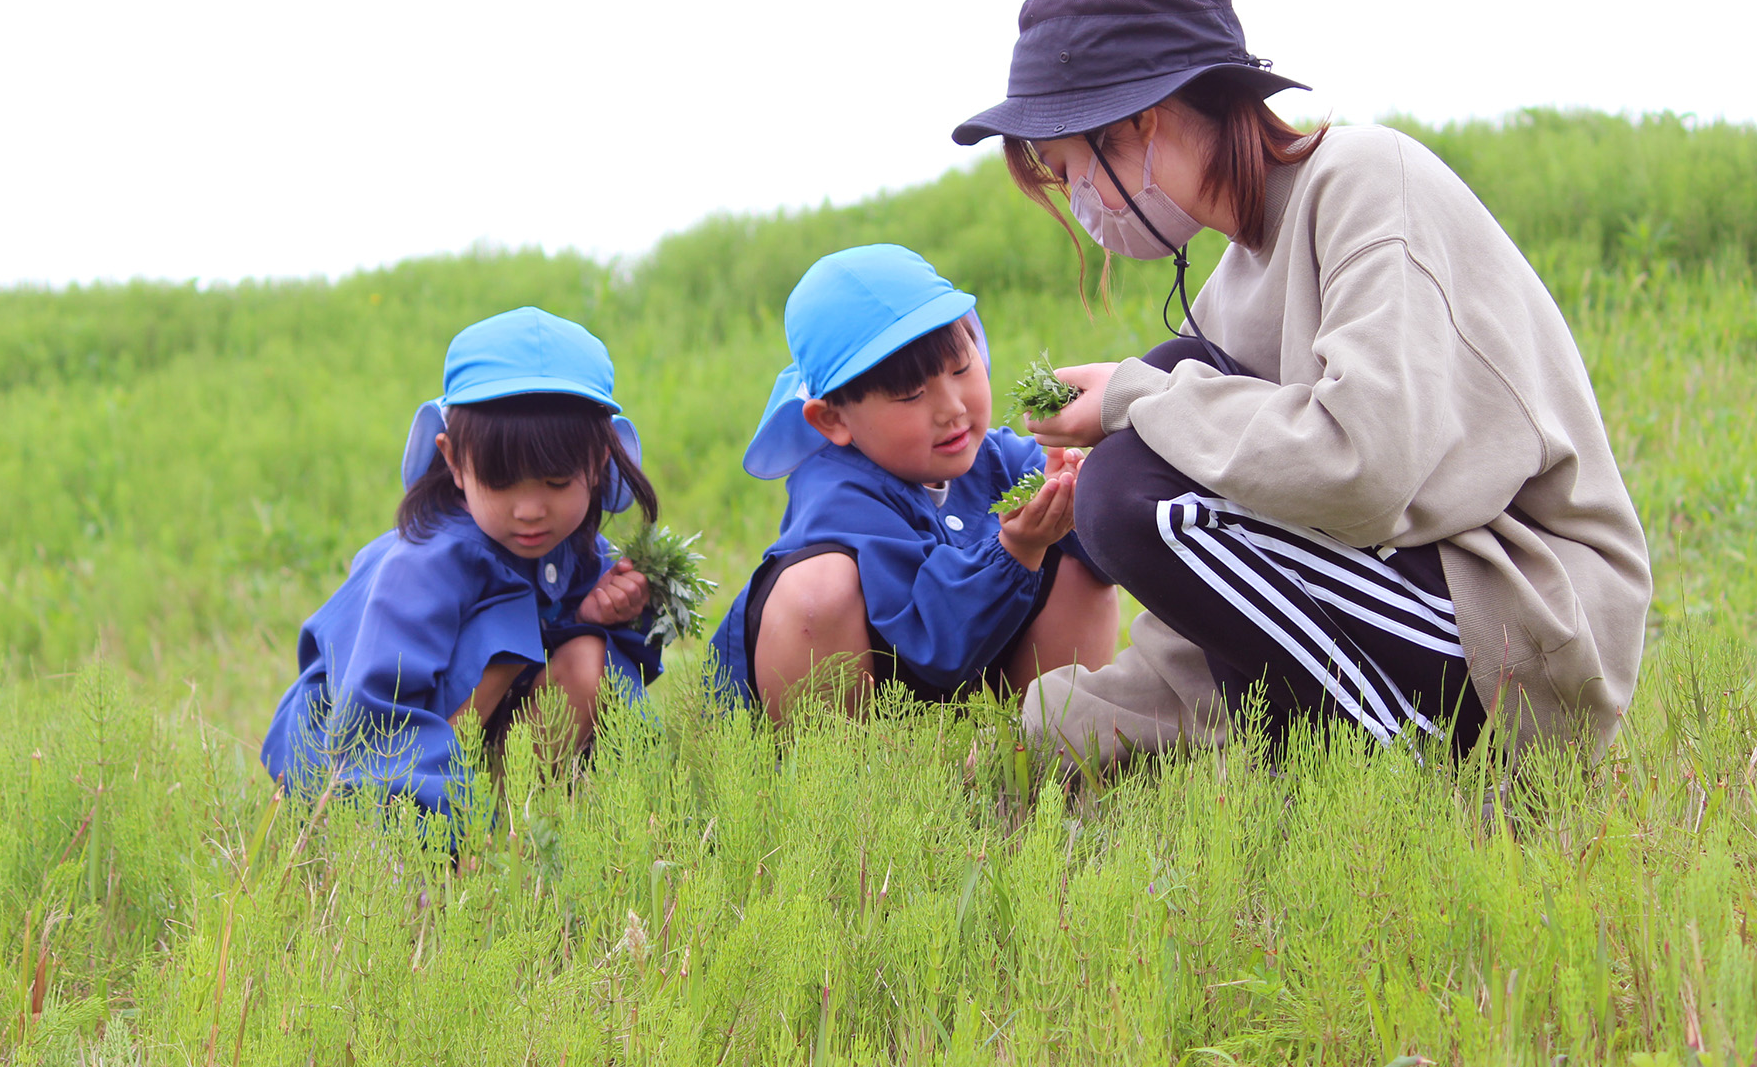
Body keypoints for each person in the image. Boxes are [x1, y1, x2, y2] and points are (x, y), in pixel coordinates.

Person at [951, 0, 1651, 768]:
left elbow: (1363, 469)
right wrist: (1038, 743)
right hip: (1416, 606)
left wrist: (1134, 397)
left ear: (1137, 125)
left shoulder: (1365, 184)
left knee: (1130, 480)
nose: (1077, 198)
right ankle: (1324, 773)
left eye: (1072, 166)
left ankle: (1405, 784)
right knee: (1153, 434)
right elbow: (1215, 627)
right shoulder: (1230, 291)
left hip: (1530, 627)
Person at [263, 306, 660, 815]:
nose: (530, 511)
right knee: (504, 650)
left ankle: (514, 828)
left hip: (458, 741)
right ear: (453, 460)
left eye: (557, 483)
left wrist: (594, 616)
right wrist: (436, 832)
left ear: (598, 463)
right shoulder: (423, 566)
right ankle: (445, 840)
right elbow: (375, 717)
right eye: (500, 483)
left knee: (587, 655)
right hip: (355, 767)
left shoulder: (570, 545)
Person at [708, 244, 1118, 718]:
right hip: (879, 706)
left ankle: (1040, 762)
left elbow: (1116, 557)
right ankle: (840, 784)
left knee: (1077, 549)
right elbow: (932, 645)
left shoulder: (997, 457)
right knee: (816, 592)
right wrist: (1018, 550)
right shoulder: (839, 494)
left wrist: (1087, 486)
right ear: (833, 420)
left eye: (961, 368)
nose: (952, 408)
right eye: (911, 394)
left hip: (956, 696)